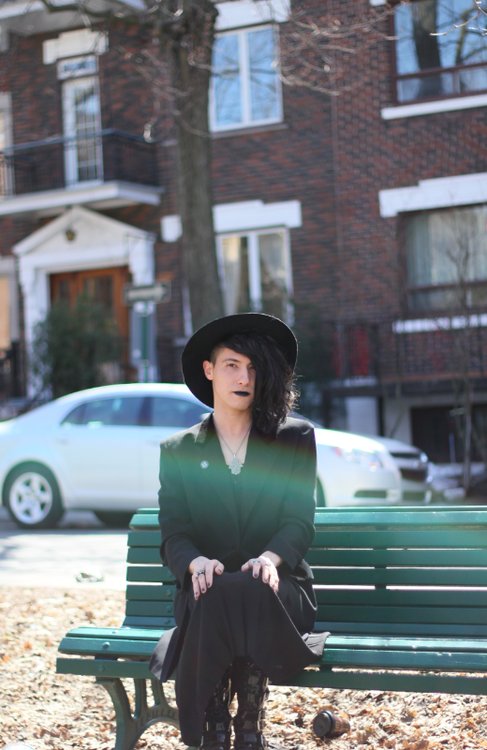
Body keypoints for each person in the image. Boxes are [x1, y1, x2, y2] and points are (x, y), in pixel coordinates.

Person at [149, 312, 327, 750]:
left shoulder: (294, 438)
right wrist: (195, 562)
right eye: (232, 365)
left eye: (253, 367)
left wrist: (269, 560)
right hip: (206, 595)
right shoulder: (179, 450)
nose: (244, 378)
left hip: (278, 593)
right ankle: (219, 723)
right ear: (209, 370)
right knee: (216, 587)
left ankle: (244, 721)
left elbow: (298, 521)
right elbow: (174, 534)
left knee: (250, 584)